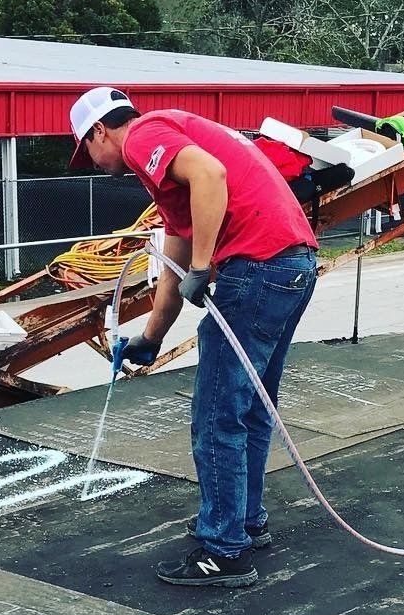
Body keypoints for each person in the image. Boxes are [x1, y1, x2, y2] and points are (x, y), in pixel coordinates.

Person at [69, 86, 319, 588]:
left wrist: (205, 268)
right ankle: (244, 522)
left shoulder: (144, 134)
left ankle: (224, 550)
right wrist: (151, 336)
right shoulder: (170, 150)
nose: (92, 162)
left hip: (256, 270)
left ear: (100, 131)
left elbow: (211, 176)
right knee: (249, 408)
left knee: (217, 414)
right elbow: (176, 245)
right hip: (291, 266)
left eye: (87, 150)